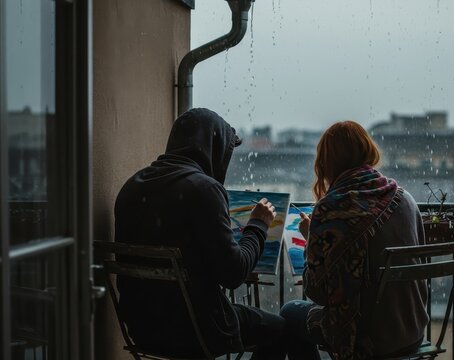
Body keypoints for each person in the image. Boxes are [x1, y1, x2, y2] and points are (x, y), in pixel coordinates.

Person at [114, 108, 285, 358]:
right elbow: (233, 273)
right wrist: (258, 224)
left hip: (142, 328)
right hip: (196, 330)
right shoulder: (204, 189)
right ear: (213, 147)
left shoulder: (131, 187)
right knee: (279, 328)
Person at [278, 121, 429, 360]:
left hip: (369, 340)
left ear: (326, 163)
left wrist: (311, 239)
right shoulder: (404, 198)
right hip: (413, 333)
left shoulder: (331, 209)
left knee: (289, 313)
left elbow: (317, 292)